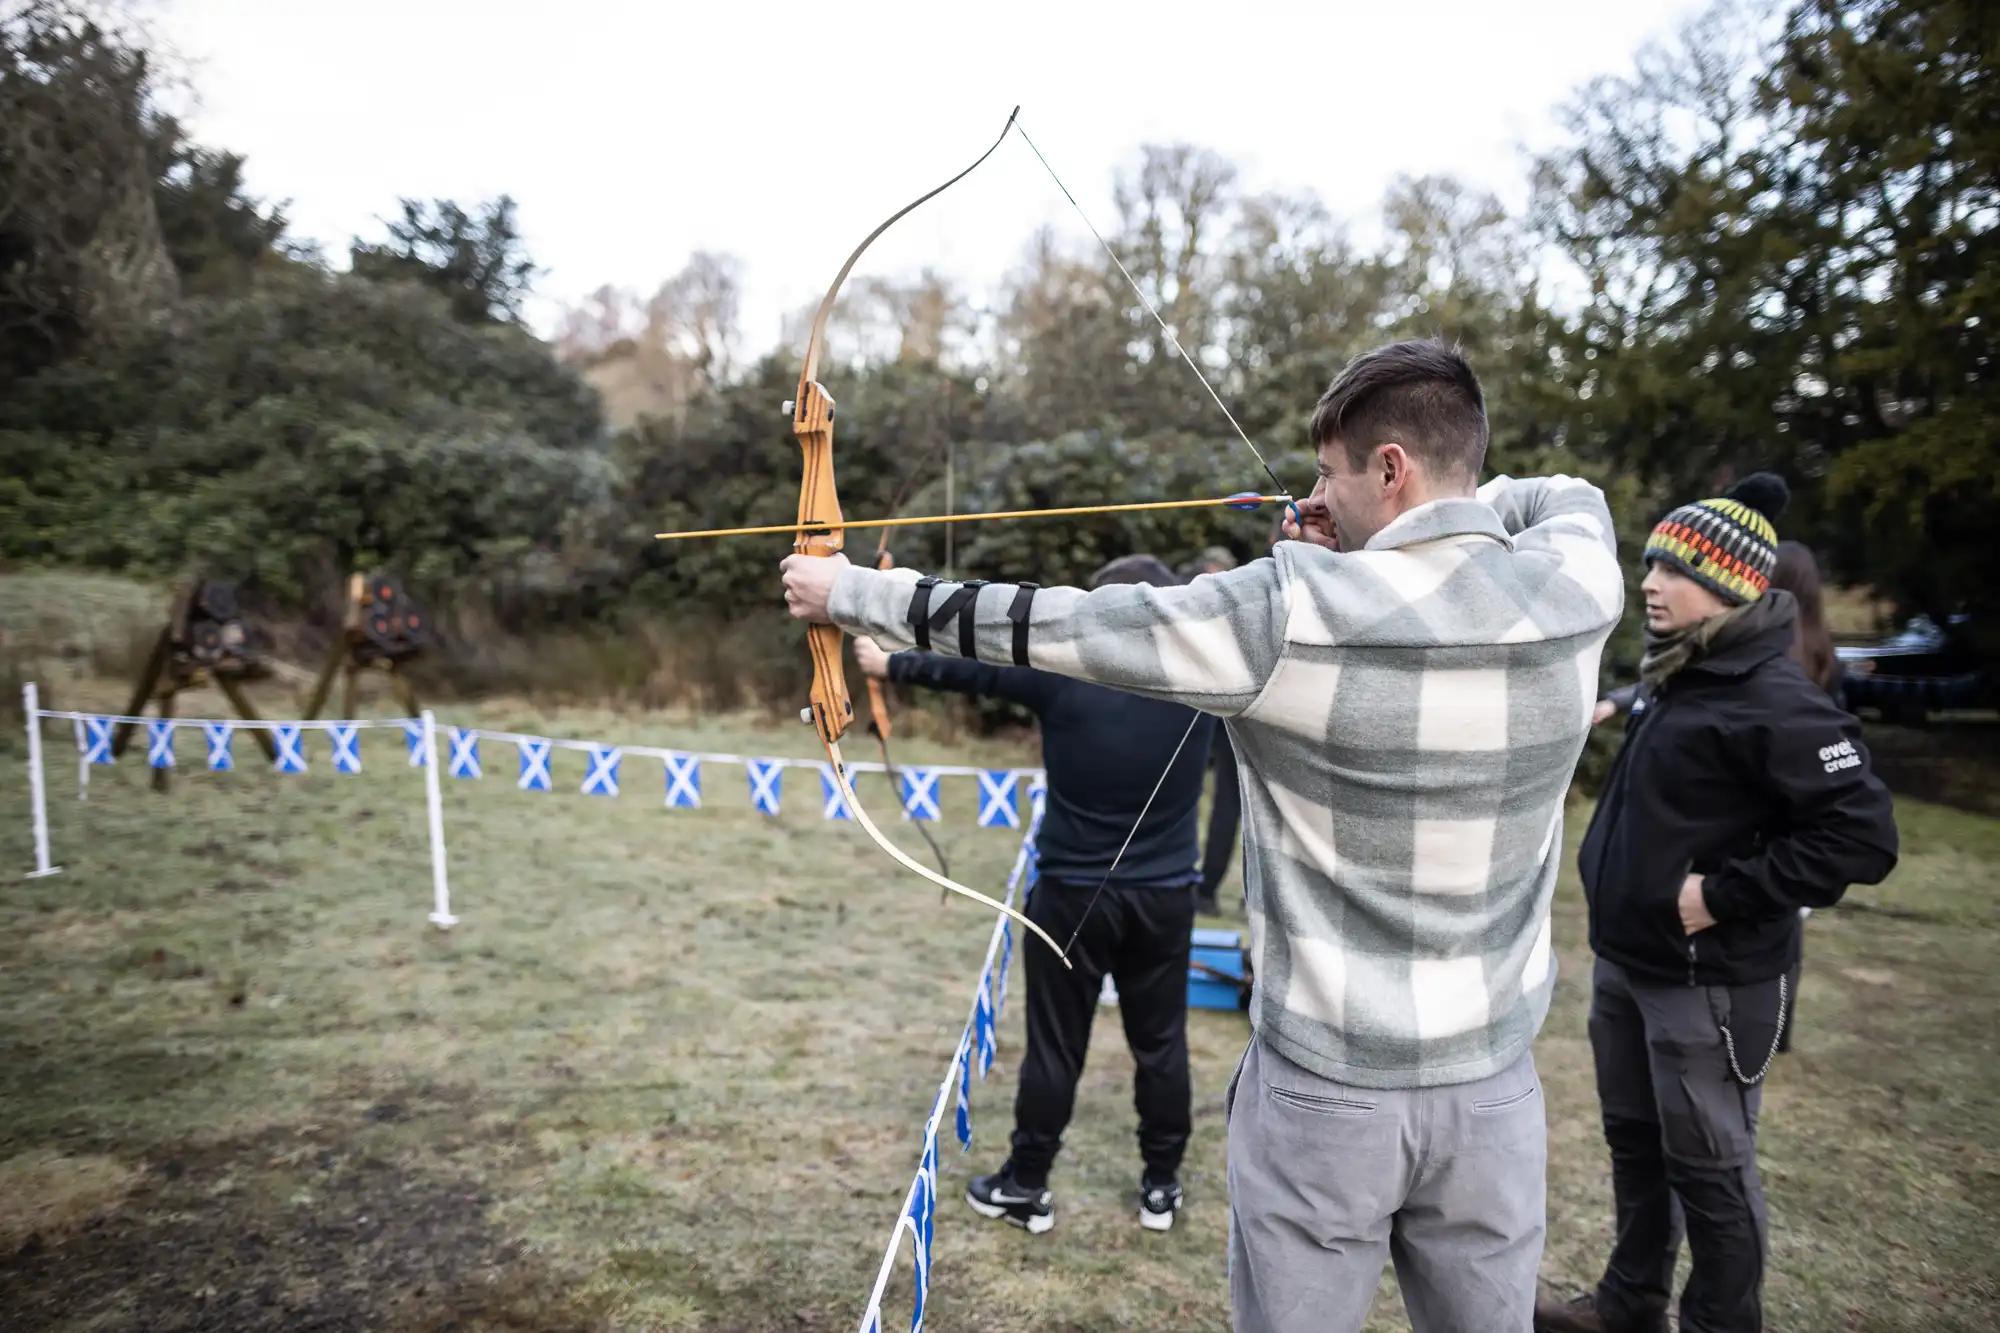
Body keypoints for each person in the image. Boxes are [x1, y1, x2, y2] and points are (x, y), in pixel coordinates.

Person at [784, 338, 1626, 1332]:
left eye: (1328, 472)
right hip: (1491, 1094)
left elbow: (1053, 625)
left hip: (1327, 1096)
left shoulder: (1290, 608)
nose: (1315, 495)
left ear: (1387, 466)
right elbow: (1561, 491)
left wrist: (850, 595)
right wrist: (1417, 518)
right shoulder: (1575, 588)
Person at [1537, 480, 1898, 1333]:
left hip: (1709, 981)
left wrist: (1724, 894)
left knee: (1711, 1169)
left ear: (1732, 582)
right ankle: (1629, 1306)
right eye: (1652, 561)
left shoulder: (1777, 700)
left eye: (1676, 567)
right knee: (1637, 1146)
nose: (1653, 581)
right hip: (1629, 963)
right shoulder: (1683, 670)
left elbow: (1864, 837)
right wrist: (1619, 703)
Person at [853, 553, 1217, 1236]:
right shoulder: (1204, 682)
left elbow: (975, 661)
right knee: (1162, 1043)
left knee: (1056, 1045)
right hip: (1164, 897)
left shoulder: (1066, 674)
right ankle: (1161, 1187)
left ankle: (1026, 1184)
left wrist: (888, 661)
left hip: (1073, 896)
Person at [1184, 546, 1243, 917]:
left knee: (1233, 803)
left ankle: (1214, 890)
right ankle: (1202, 888)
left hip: (1235, 709)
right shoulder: (1189, 603)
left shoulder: (1239, 604)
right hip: (1195, 709)